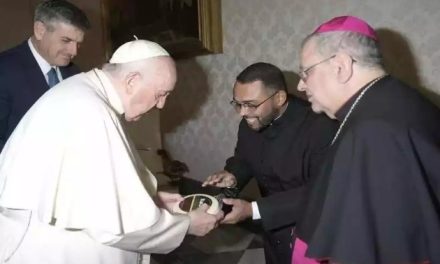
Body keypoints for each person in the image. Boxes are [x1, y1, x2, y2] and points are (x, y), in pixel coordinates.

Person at [0, 39, 223, 264]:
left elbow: (94, 193)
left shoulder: (81, 91)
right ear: (132, 81)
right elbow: (117, 226)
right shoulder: (92, 111)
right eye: (160, 93)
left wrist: (150, 200)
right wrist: (187, 225)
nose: (161, 105)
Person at [293, 15, 440, 264]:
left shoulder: (374, 131)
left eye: (305, 73)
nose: (300, 85)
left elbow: (376, 248)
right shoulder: (393, 102)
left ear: (341, 65)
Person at [202, 62, 338, 264]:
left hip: (311, 229)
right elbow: (243, 158)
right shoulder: (251, 120)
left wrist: (253, 210)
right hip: (272, 226)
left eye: (250, 104)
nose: (242, 112)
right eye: (237, 103)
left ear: (279, 98)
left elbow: (321, 193)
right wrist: (232, 176)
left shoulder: (320, 127)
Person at [0, 0, 90, 152]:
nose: (74, 51)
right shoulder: (4, 69)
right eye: (66, 40)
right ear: (40, 30)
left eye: (78, 43)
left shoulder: (74, 73)